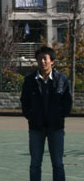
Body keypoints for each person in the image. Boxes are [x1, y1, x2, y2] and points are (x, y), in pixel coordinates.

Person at [21, 46, 72, 181]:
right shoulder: (30, 80)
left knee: (58, 163)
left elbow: (67, 102)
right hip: (36, 128)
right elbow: (24, 101)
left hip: (56, 127)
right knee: (35, 163)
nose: (42, 61)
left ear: (52, 61)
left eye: (45, 58)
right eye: (39, 58)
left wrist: (59, 116)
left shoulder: (62, 79)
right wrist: (31, 116)